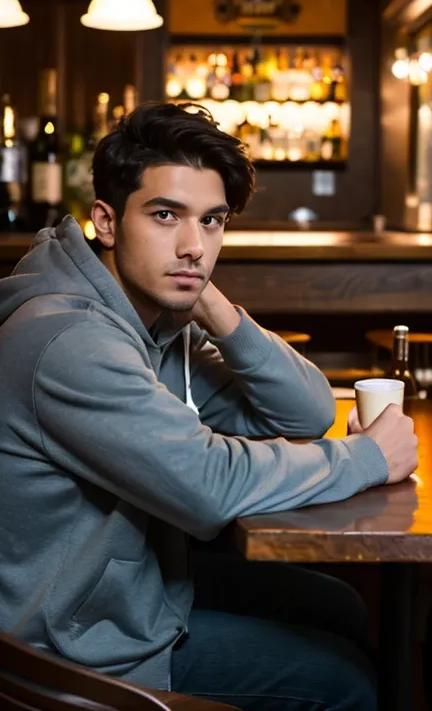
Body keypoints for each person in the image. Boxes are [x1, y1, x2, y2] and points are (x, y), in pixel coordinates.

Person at [0, 103, 418, 711]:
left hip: (124, 591)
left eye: (213, 221)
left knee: (340, 605)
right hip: (67, 645)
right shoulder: (71, 342)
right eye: (166, 215)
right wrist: (368, 458)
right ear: (107, 222)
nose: (194, 246)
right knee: (342, 683)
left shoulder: (153, 320)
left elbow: (303, 413)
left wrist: (214, 308)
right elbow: (208, 487)